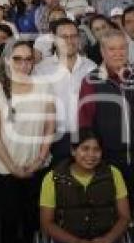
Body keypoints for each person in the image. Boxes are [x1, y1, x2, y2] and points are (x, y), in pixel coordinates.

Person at [0, 41, 56, 243]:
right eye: (18, 58)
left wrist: (38, 160)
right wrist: (12, 166)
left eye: (28, 59)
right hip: (6, 167)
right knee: (8, 216)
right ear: (7, 60)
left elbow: (49, 127)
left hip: (36, 165)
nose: (24, 64)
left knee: (30, 215)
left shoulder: (44, 87)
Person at [78, 28, 134, 198]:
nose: (118, 53)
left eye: (122, 48)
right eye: (112, 49)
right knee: (108, 199)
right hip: (106, 156)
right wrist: (90, 153)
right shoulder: (91, 80)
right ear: (102, 51)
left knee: (133, 198)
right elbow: (85, 120)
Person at [34, 19, 97, 162]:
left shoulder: (91, 68)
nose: (70, 40)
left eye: (73, 36)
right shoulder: (41, 70)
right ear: (54, 39)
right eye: (64, 37)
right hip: (53, 140)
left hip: (85, 138)